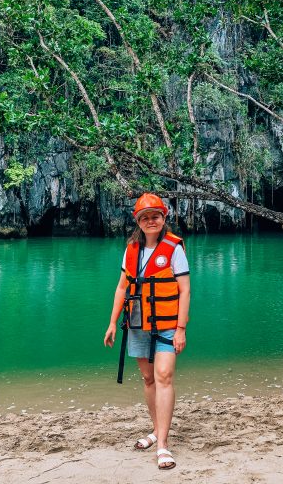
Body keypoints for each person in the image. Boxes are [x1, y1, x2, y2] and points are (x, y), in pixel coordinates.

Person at [104, 193, 191, 471]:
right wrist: (111, 323)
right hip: (138, 322)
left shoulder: (174, 247)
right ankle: (156, 430)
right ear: (138, 222)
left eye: (156, 216)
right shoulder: (131, 249)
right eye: (145, 217)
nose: (151, 221)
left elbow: (184, 290)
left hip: (166, 323)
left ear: (164, 218)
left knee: (163, 376)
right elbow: (121, 287)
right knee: (147, 378)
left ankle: (163, 444)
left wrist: (181, 329)